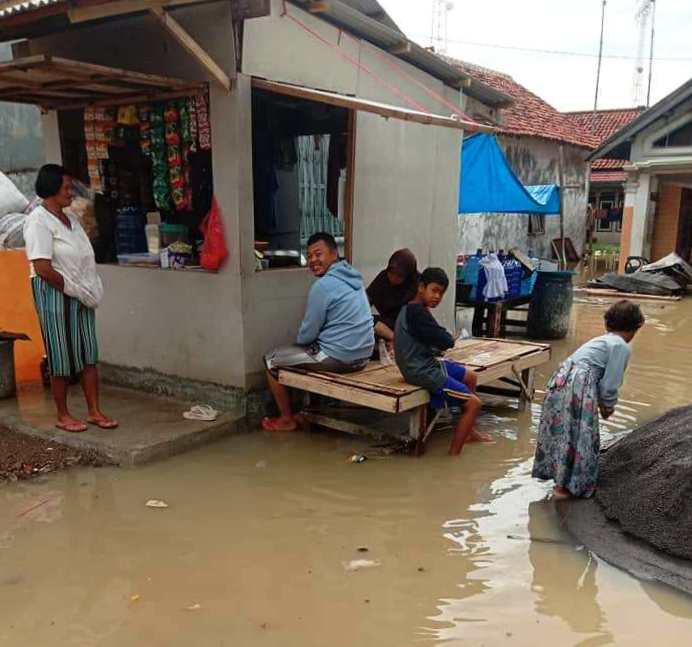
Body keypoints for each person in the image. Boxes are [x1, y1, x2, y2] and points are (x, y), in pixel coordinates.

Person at [23, 164, 117, 433]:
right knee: (61, 354)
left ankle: (94, 411)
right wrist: (72, 288)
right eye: (66, 188)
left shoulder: (71, 221)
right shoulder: (38, 221)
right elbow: (42, 268)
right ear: (51, 189)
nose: (71, 193)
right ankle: (63, 414)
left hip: (80, 292)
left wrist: (87, 288)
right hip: (54, 291)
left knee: (89, 353)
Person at [532, 300, 645, 500]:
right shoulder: (620, 346)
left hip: (561, 379)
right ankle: (567, 488)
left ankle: (559, 482)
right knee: (580, 433)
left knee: (564, 431)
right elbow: (610, 383)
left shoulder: (602, 340)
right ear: (634, 328)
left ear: (608, 324)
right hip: (579, 384)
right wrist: (607, 406)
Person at [262, 232, 374, 432]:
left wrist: (299, 343)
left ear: (333, 254)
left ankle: (286, 418)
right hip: (363, 357)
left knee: (271, 360)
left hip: (341, 358)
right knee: (310, 352)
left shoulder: (322, 286)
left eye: (318, 254)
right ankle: (308, 411)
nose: (313, 260)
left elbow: (307, 335)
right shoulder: (354, 278)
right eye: (309, 256)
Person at [394, 267, 489, 456]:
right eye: (434, 290)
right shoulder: (416, 312)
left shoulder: (415, 308)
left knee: (471, 376)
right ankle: (453, 455)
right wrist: (447, 338)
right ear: (421, 287)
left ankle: (468, 432)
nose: (437, 296)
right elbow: (444, 340)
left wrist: (442, 339)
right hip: (420, 371)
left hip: (424, 363)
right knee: (473, 404)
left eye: (441, 293)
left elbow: (434, 337)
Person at [366, 248, 419, 347]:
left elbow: (421, 312)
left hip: (407, 325)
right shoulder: (383, 277)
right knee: (367, 321)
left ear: (408, 275)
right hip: (386, 325)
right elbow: (365, 301)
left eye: (399, 276)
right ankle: (395, 340)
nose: (393, 278)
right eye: (391, 273)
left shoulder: (416, 284)